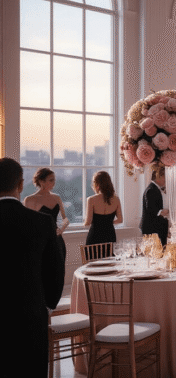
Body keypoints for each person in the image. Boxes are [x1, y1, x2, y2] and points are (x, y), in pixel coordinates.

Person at [1, 158, 64, 377]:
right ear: (20, 184)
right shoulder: (41, 222)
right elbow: (55, 271)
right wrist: (47, 307)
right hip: (31, 314)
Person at [24, 167, 68, 260]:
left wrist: (61, 229)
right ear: (41, 181)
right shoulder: (30, 199)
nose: (54, 182)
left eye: (54, 180)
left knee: (59, 272)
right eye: (51, 180)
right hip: (41, 242)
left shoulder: (57, 198)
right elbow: (28, 225)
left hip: (58, 241)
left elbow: (65, 219)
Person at [84, 171, 122, 245]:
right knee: (110, 256)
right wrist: (108, 223)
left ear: (97, 184)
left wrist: (84, 223)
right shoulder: (116, 199)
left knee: (93, 256)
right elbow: (120, 220)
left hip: (95, 236)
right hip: (110, 236)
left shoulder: (91, 199)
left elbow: (88, 222)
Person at [140, 167, 169, 245]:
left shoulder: (155, 188)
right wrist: (163, 212)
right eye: (165, 176)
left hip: (156, 228)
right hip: (152, 229)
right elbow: (151, 209)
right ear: (158, 176)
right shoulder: (151, 190)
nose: (166, 179)